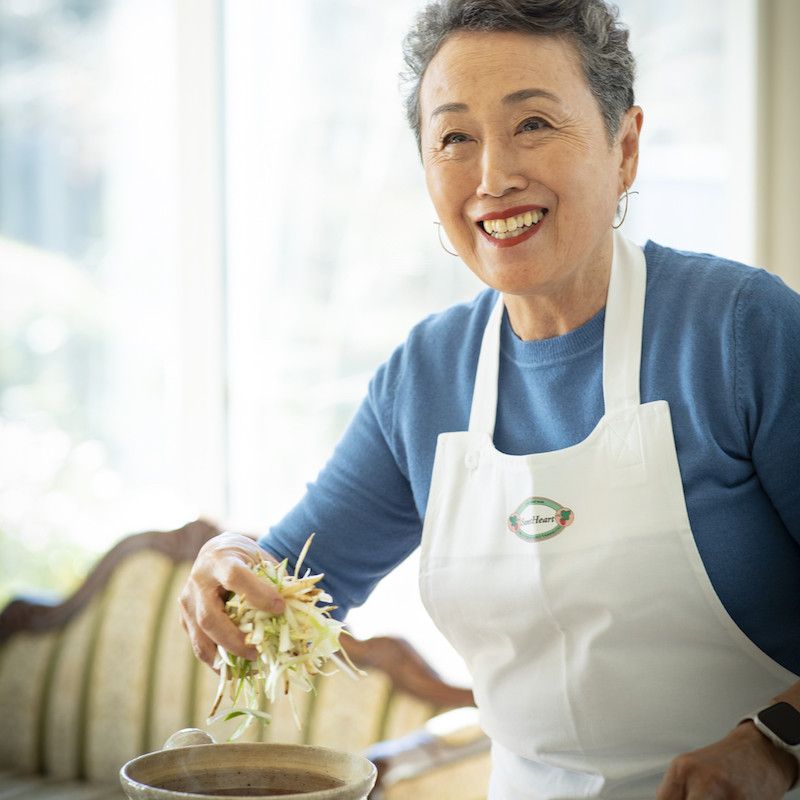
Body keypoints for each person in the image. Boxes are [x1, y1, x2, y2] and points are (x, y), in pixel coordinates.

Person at [178, 1, 800, 797]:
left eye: (533, 123)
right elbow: (299, 579)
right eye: (454, 138)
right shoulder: (426, 374)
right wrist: (230, 564)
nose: (493, 176)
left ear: (626, 146)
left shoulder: (739, 332)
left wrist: (777, 744)